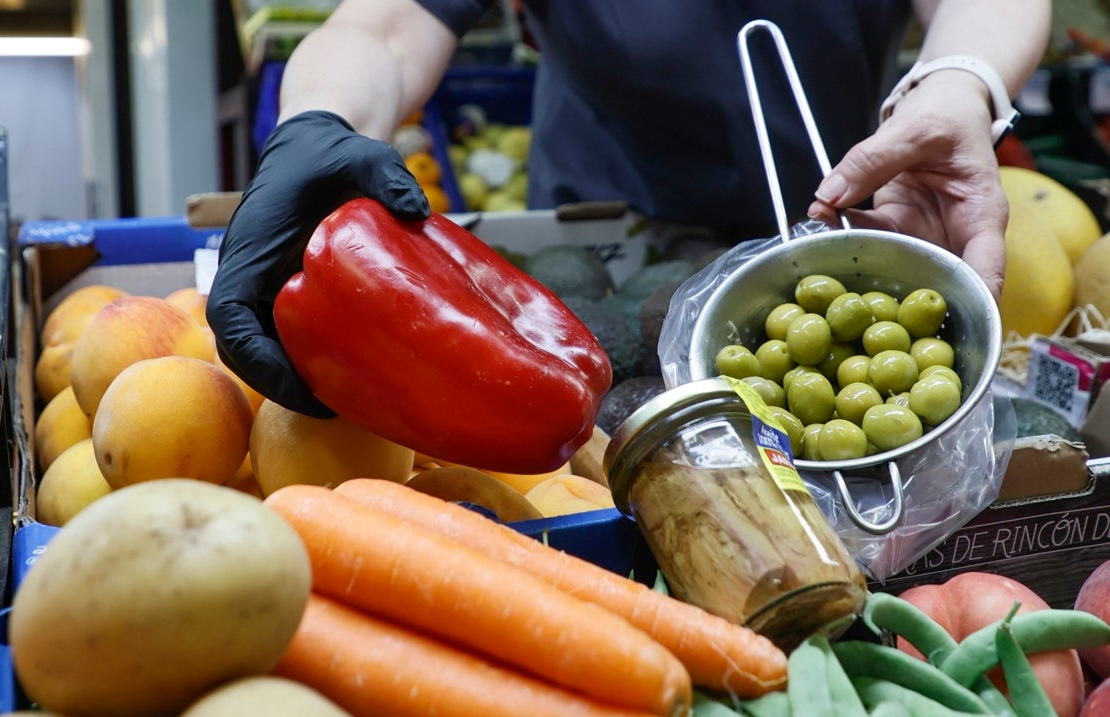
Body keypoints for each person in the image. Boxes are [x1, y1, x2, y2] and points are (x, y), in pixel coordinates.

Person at [207, 0, 1051, 417]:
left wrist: (959, 83)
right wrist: (318, 123)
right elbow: (385, 28)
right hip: (603, 243)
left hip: (848, 220)